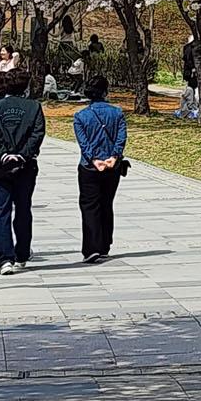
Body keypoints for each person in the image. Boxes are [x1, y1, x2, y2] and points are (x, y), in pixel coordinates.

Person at [0, 69, 45, 275]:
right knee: (24, 208)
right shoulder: (34, 107)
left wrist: (2, 155)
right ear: (25, 87)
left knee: (0, 211)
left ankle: (4, 259)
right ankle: (23, 252)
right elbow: (37, 133)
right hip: (25, 166)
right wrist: (23, 155)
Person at [73, 75, 127, 264]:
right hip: (112, 166)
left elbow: (83, 143)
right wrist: (114, 156)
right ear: (105, 92)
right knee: (106, 203)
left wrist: (94, 159)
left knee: (89, 206)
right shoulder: (117, 113)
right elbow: (121, 137)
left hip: (89, 166)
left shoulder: (80, 116)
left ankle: (91, 247)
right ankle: (104, 245)